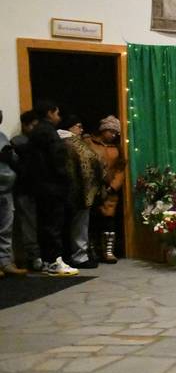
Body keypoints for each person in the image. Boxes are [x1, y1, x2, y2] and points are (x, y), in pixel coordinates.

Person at [29, 99, 79, 276]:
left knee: (45, 223)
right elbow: (57, 160)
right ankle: (54, 261)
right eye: (57, 113)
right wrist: (66, 179)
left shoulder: (36, 131)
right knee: (53, 223)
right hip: (52, 185)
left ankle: (47, 260)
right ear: (50, 113)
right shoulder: (48, 132)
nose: (59, 117)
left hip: (41, 185)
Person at [59, 115, 102, 268]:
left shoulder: (58, 142)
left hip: (64, 190)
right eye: (78, 126)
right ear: (70, 127)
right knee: (79, 225)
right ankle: (80, 256)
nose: (81, 129)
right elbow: (90, 161)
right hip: (79, 190)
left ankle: (66, 255)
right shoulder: (73, 143)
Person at [86, 115, 124, 264]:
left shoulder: (116, 149)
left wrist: (113, 186)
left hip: (110, 191)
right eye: (111, 131)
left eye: (116, 133)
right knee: (92, 220)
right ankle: (92, 249)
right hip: (93, 189)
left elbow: (120, 170)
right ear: (103, 130)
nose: (113, 135)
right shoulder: (89, 143)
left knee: (109, 220)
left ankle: (108, 251)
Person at [11, 110, 41, 271]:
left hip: (38, 188)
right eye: (33, 126)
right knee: (28, 224)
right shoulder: (18, 142)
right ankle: (32, 256)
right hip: (25, 188)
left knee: (36, 223)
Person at [0, 109, 27, 278]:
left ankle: (5, 262)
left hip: (7, 187)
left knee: (6, 228)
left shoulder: (2, 136)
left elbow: (13, 158)